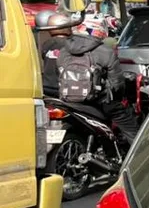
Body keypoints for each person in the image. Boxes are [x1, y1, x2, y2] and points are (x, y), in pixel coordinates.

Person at [41, 13, 138, 146]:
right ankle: (140, 154)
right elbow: (117, 84)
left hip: (66, 99)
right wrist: (116, 96)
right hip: (97, 101)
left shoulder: (64, 50)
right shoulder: (106, 51)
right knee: (128, 124)